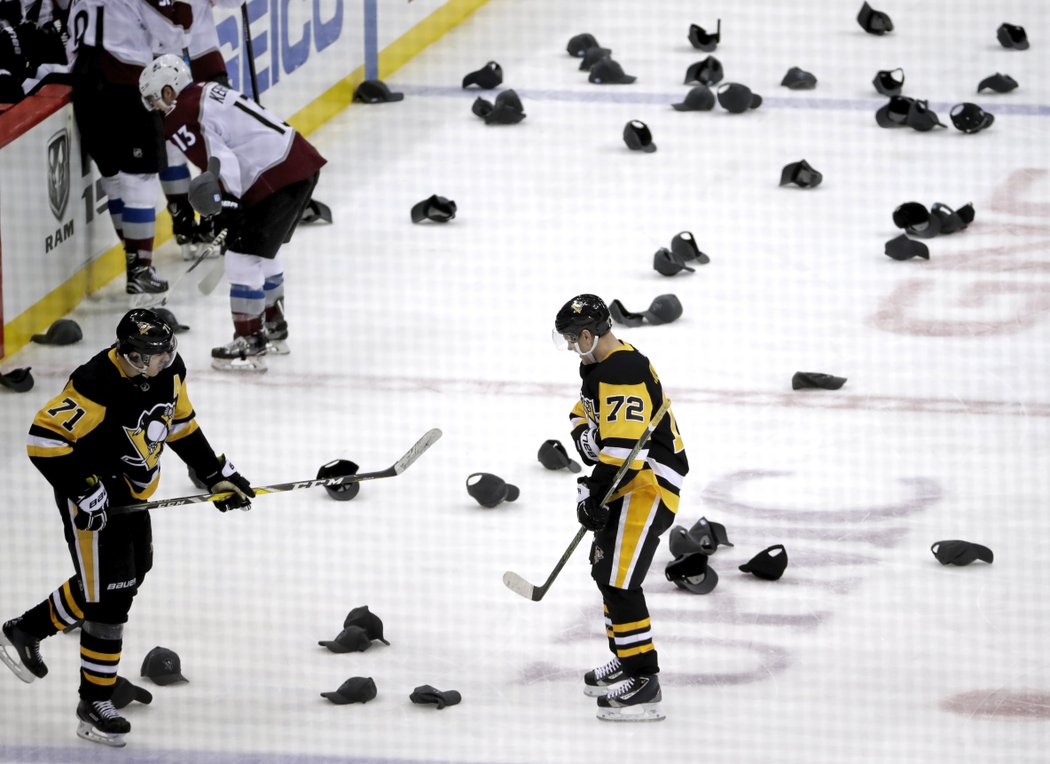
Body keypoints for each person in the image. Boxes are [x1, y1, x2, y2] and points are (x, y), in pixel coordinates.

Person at [0, 308, 255, 747]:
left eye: (166, 351)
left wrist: (216, 473)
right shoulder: (97, 380)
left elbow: (180, 425)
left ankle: (25, 630)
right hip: (95, 497)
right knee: (110, 601)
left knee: (129, 575)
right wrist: (83, 488)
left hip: (131, 495)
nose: (164, 360)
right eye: (153, 356)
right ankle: (94, 703)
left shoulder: (170, 368)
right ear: (132, 355)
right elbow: (44, 438)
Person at [138, 53, 327, 371]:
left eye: (155, 98)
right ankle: (274, 328)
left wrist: (227, 203)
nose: (156, 106)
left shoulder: (181, 114)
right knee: (263, 252)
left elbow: (219, 160)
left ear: (169, 91)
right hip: (297, 164)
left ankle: (250, 342)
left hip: (273, 177)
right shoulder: (206, 90)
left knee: (240, 256)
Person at [552, 293, 688, 722]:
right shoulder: (600, 365)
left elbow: (623, 449)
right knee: (606, 571)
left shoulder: (623, 372)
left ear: (589, 334)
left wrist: (593, 493)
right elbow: (582, 413)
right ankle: (626, 656)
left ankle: (644, 678)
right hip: (628, 482)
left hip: (648, 485)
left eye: (575, 339)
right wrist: (583, 439)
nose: (573, 347)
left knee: (619, 580)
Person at [67, 0, 192, 299]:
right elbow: (175, 34)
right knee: (139, 181)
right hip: (124, 87)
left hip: (83, 89)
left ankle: (136, 263)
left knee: (113, 180)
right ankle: (140, 270)